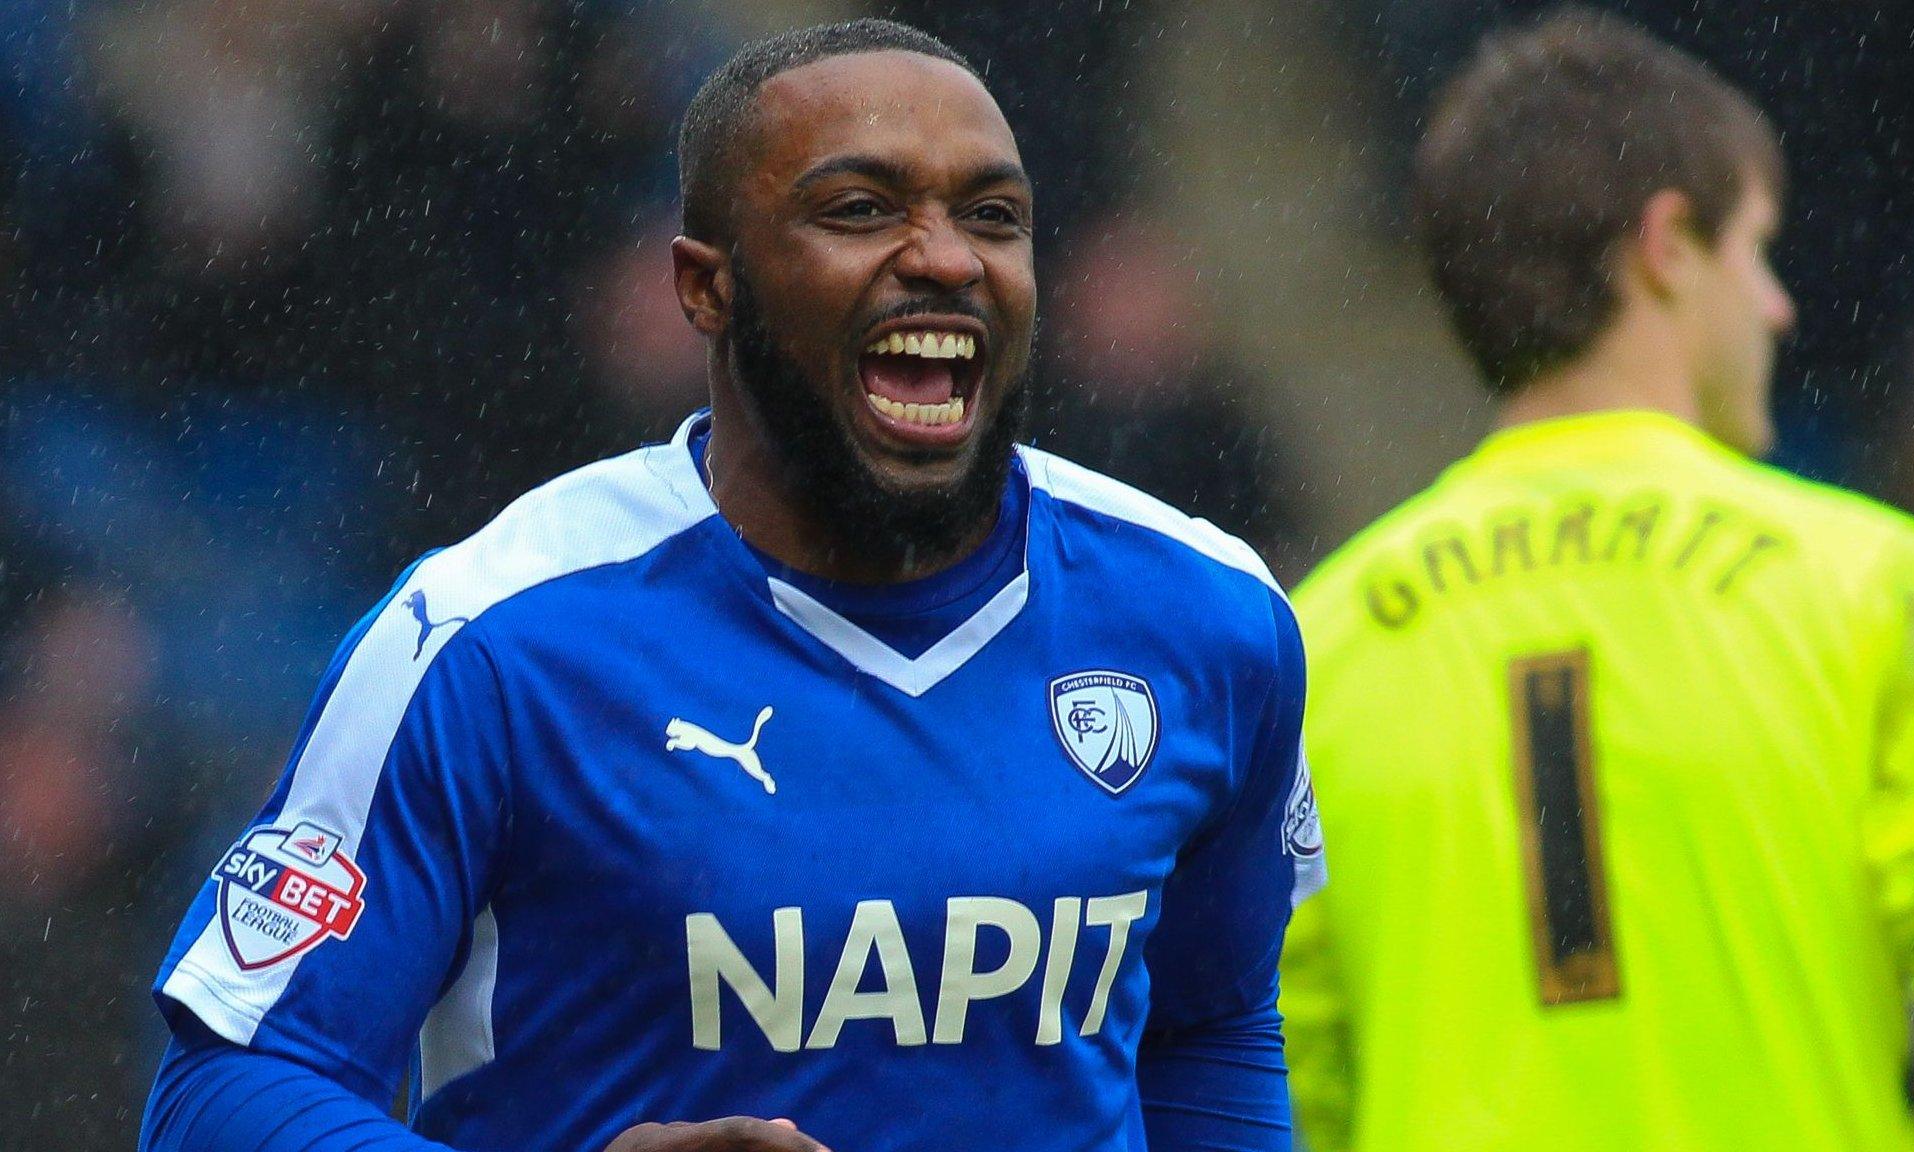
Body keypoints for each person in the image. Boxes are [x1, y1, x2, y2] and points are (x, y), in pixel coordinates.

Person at [140, 19, 1321, 1152]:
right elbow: (224, 1089)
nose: (945, 256)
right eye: (860, 209)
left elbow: (1209, 1027)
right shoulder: (488, 642)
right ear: (706, 287)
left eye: (991, 215)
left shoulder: (1205, 618)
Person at [1280, 10, 1914, 1152]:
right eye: (1758, 248)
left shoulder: (1308, 647)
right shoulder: (1879, 587)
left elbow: (1279, 1078)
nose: (1777, 304)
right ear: (1666, 247)